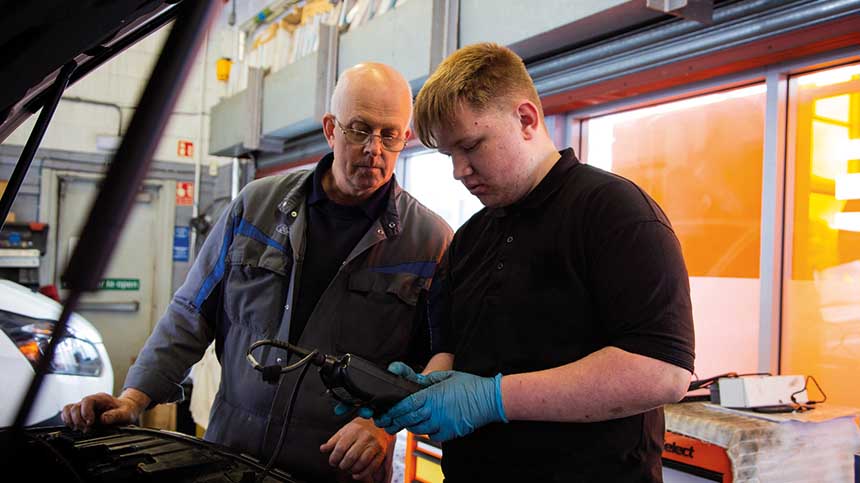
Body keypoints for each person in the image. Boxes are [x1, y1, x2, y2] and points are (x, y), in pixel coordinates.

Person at [61, 62, 453, 483]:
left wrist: (383, 426)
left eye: (390, 134)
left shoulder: (429, 241)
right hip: (231, 457)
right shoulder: (256, 207)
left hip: (339, 467)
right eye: (359, 129)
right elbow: (191, 312)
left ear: (405, 137)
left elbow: (438, 358)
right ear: (330, 129)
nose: (375, 148)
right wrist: (134, 397)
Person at [370, 43, 696, 482]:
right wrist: (417, 393)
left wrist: (493, 399)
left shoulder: (615, 212)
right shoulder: (469, 238)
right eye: (449, 155)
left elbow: (663, 372)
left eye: (471, 146)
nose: (459, 170)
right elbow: (451, 349)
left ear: (526, 119)